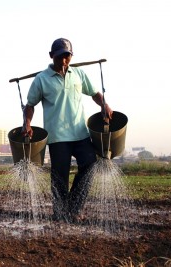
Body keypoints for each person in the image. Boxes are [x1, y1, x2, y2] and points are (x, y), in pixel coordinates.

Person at [22, 38, 113, 222]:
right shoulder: (41, 79)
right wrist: (27, 122)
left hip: (80, 133)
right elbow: (30, 105)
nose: (64, 61)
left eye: (67, 56)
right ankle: (59, 213)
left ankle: (74, 208)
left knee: (89, 165)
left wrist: (104, 105)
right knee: (59, 177)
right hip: (57, 137)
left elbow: (95, 93)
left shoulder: (78, 74)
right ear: (51, 56)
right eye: (60, 57)